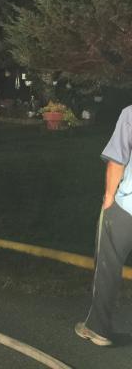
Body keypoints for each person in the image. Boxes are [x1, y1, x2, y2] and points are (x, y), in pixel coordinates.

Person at [76, 106, 132, 346]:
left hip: (127, 207)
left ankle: (98, 328)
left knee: (108, 265)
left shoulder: (130, 114)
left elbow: (117, 161)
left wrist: (109, 199)